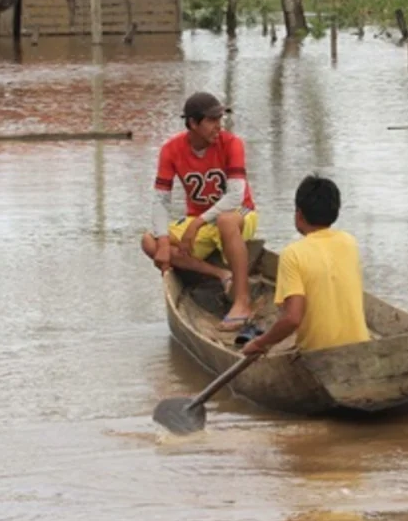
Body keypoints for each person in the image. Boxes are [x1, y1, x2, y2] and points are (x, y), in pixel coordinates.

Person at [142, 91, 257, 329]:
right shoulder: (171, 150)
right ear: (193, 123)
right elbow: (161, 200)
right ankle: (222, 274)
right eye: (212, 121)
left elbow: (236, 195)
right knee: (149, 242)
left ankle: (242, 302)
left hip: (239, 213)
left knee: (225, 220)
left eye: (220, 120)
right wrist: (163, 243)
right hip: (201, 219)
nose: (219, 126)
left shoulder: (232, 143)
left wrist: (196, 224)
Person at [242, 175, 369, 356]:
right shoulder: (350, 242)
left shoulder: (293, 254)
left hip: (318, 355)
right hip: (362, 346)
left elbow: (292, 319)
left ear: (299, 214)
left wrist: (259, 343)